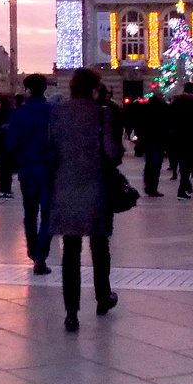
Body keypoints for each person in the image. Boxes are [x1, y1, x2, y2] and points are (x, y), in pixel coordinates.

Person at [48, 67, 123, 332]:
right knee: (100, 246)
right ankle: (103, 297)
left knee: (70, 251)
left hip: (65, 186)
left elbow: (51, 149)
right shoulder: (103, 114)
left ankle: (71, 312)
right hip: (97, 187)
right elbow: (113, 152)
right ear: (95, 88)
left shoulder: (56, 113)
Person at [6, 73, 55, 274]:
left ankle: (33, 251)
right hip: (49, 169)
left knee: (30, 213)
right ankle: (41, 255)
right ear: (45, 89)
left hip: (27, 169)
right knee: (48, 214)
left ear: (27, 90)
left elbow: (11, 143)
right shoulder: (52, 112)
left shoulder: (19, 113)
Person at [168, 83, 193, 197]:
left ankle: (185, 184)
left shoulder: (176, 102)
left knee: (182, 161)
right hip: (192, 136)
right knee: (188, 162)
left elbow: (170, 118)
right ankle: (183, 187)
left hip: (178, 136)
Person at [137, 92, 169, 197]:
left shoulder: (145, 108)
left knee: (148, 163)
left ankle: (147, 185)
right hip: (159, 140)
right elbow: (166, 124)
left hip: (148, 140)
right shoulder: (163, 108)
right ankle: (153, 187)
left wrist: (141, 137)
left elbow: (140, 124)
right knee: (156, 165)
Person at [0, 96, 15, 198]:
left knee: (1, 168)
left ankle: (2, 189)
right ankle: (7, 189)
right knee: (8, 168)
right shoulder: (12, 113)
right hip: (9, 144)